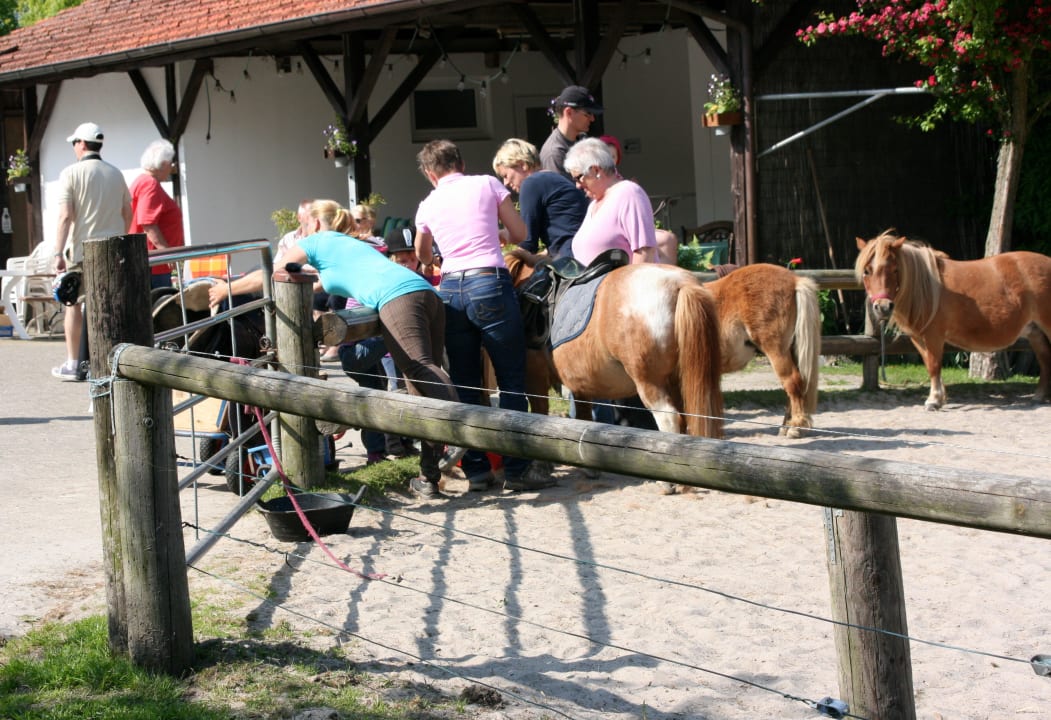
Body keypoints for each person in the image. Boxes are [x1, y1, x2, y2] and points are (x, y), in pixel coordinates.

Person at [282, 199, 458, 498]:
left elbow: (281, 270)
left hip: (398, 297)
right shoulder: (352, 248)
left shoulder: (315, 241)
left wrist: (227, 289)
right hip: (425, 293)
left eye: (302, 224)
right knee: (419, 382)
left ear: (312, 223)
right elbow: (315, 282)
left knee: (418, 367)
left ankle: (459, 426)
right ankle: (429, 476)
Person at [414, 139, 553, 492]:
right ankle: (516, 467)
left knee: (466, 382)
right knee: (510, 378)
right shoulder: (487, 184)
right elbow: (521, 235)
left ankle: (476, 470)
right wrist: (499, 233)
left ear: (431, 173)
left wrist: (437, 254)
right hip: (489, 282)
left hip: (450, 289)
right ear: (460, 161)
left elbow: (423, 253)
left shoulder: (428, 203)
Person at [51, 122, 132, 381]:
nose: (74, 148)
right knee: (108, 304)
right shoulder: (116, 173)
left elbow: (66, 216)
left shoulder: (70, 174)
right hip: (113, 250)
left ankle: (74, 363)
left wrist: (57, 252)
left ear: (82, 144)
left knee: (73, 304)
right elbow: (127, 212)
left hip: (83, 250)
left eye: (74, 143)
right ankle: (108, 360)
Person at [564, 137, 658, 266]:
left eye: (578, 178)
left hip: (624, 284)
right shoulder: (593, 205)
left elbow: (645, 252)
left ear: (596, 170)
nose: (577, 186)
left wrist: (630, 286)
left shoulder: (629, 193)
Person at [492, 138, 588, 261]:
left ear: (523, 165)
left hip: (570, 259)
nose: (505, 183)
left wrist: (503, 246)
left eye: (506, 175)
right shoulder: (552, 179)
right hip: (580, 252)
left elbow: (527, 242)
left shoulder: (531, 183)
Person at [130, 139, 184, 290]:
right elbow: (147, 222)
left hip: (149, 262)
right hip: (154, 265)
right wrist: (166, 252)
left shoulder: (142, 181)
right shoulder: (150, 184)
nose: (172, 167)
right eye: (171, 163)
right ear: (164, 164)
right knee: (159, 308)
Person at [539, 85, 603, 179]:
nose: (592, 119)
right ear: (569, 112)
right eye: (588, 113)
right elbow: (565, 193)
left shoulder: (581, 140)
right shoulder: (554, 153)